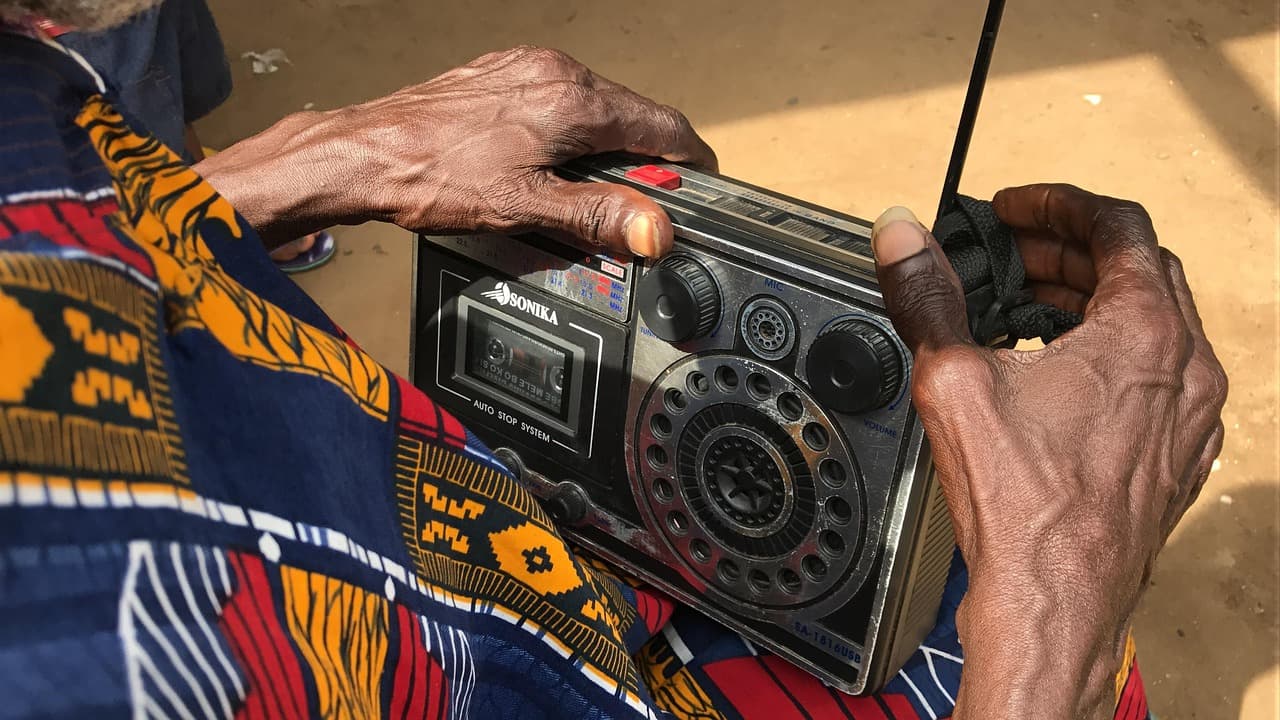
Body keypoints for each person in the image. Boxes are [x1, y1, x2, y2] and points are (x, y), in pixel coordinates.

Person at [0, 3, 1226, 719]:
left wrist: (261, 181)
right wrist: (1047, 632)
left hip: (486, 554)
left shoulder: (33, 64)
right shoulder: (92, 661)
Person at [49, 0, 337, 272]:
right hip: (66, 21)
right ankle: (195, 228)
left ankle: (200, 188)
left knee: (168, 82)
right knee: (132, 132)